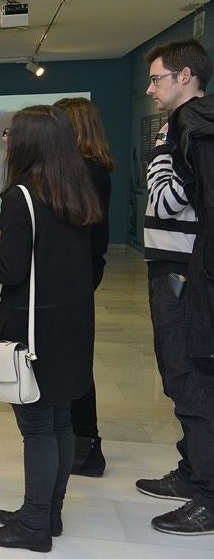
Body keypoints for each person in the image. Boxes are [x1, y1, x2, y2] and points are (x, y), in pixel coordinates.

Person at [0, 105, 103, 552]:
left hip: (33, 328)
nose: (6, 139)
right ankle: (49, 512)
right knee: (61, 419)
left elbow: (9, 270)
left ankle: (33, 526)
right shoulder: (76, 190)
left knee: (37, 428)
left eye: (11, 133)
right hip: (71, 323)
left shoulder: (21, 196)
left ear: (29, 142)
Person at [134, 40, 211, 524]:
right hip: (172, 266)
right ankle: (193, 468)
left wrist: (159, 159)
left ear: (185, 76)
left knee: (189, 374)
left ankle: (206, 491)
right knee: (177, 371)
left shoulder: (192, 127)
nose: (151, 87)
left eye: (158, 78)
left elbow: (166, 200)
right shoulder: (181, 128)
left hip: (184, 271)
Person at [54, 97, 114, 476]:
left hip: (75, 273)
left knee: (72, 360)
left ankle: (86, 443)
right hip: (82, 269)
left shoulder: (85, 171)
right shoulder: (92, 169)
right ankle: (80, 439)